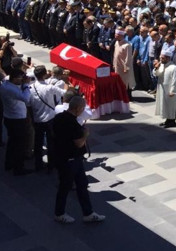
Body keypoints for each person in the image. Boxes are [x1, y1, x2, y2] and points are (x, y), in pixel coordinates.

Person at [53, 95, 104, 224]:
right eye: (83, 108)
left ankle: (88, 213)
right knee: (65, 186)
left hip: (64, 157)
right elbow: (79, 143)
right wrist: (85, 135)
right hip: (70, 159)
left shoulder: (59, 117)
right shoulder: (73, 124)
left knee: (81, 184)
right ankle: (59, 213)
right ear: (78, 108)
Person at [29, 65, 66, 171]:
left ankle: (38, 165)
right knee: (51, 143)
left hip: (37, 119)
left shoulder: (31, 88)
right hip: (50, 119)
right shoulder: (49, 87)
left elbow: (28, 104)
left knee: (38, 143)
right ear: (45, 74)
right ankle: (51, 165)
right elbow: (65, 93)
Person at [1, 68, 32, 175]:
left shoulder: (5, 84)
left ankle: (9, 163)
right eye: (21, 79)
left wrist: (23, 82)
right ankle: (18, 168)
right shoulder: (11, 89)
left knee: (12, 143)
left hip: (9, 117)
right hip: (17, 120)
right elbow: (26, 98)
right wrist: (26, 85)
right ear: (14, 79)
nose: (22, 80)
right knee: (19, 145)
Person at [154, 50, 176, 128]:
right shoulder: (161, 65)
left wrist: (173, 91)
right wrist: (156, 68)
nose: (161, 60)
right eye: (160, 58)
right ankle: (167, 120)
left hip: (169, 90)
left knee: (171, 106)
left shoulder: (173, 67)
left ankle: (172, 121)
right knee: (165, 106)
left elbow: (175, 80)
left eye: (163, 58)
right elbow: (156, 74)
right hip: (162, 89)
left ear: (168, 58)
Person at [112, 29, 135, 100]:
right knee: (119, 81)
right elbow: (115, 54)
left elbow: (128, 58)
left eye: (117, 35)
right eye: (115, 34)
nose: (115, 36)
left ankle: (128, 96)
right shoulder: (116, 43)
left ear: (121, 35)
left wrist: (126, 68)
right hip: (117, 66)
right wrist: (114, 64)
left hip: (124, 67)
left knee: (126, 82)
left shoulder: (127, 45)